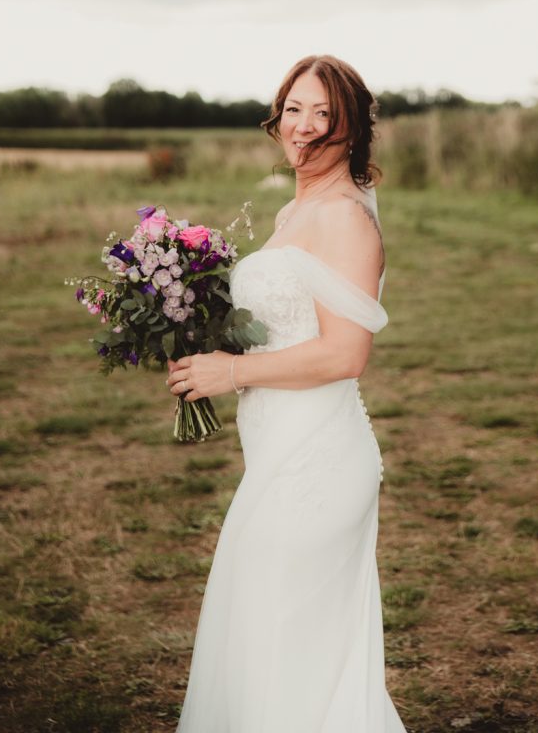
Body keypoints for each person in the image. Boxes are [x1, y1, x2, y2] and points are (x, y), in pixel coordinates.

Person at [167, 55, 406, 733]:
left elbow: (345, 353)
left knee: (287, 651)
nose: (303, 127)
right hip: (275, 451)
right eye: (294, 109)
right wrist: (201, 342)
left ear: (351, 130)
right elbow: (285, 327)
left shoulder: (344, 219)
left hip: (319, 462)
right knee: (269, 645)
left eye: (323, 114)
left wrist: (230, 374)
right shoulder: (292, 208)